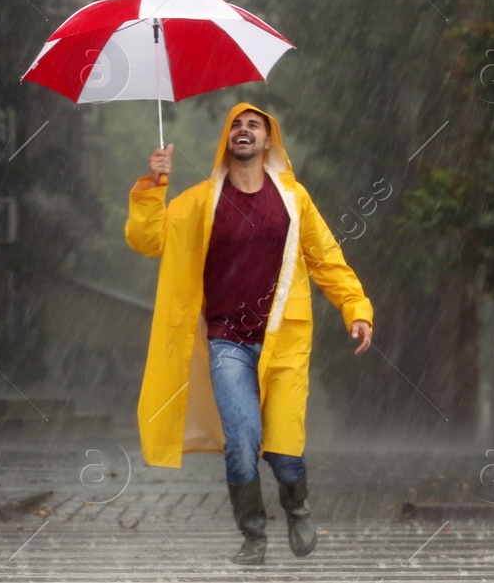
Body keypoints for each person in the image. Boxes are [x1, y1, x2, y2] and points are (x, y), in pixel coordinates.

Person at [125, 103, 374, 566]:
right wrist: (154, 186)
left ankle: (296, 504)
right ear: (227, 140)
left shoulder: (293, 198)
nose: (243, 131)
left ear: (268, 140)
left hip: (284, 339)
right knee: (240, 442)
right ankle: (253, 534)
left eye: (253, 126)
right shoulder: (201, 200)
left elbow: (326, 258)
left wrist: (356, 308)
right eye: (236, 125)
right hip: (227, 342)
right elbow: (148, 239)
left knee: (283, 450)